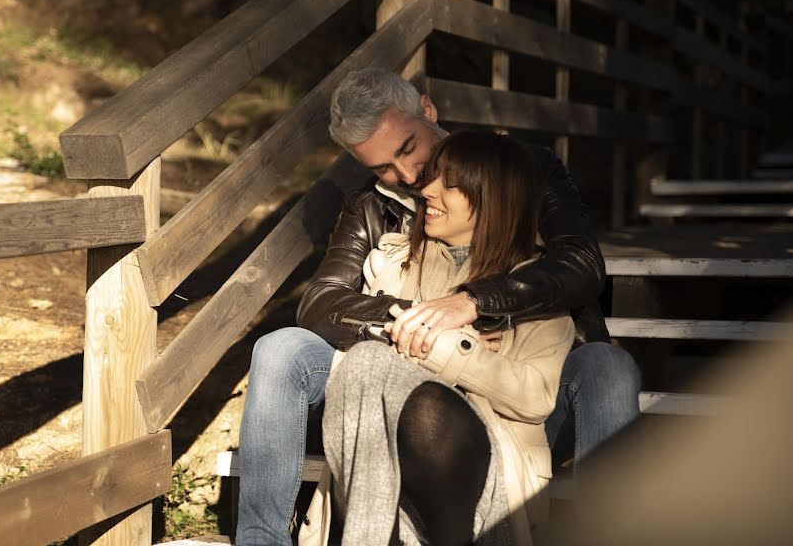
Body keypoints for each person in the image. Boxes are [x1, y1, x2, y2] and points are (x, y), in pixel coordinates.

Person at [235, 68, 640, 546]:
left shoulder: (524, 170)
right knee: (282, 348)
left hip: (518, 390)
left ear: (428, 111)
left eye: (407, 148)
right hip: (406, 377)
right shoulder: (369, 207)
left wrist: (475, 302)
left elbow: (580, 265)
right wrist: (422, 321)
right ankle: (260, 541)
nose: (408, 177)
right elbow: (321, 301)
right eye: (382, 167)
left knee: (608, 367)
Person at [312, 130, 574, 546]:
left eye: (448, 184)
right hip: (383, 476)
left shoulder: (533, 285)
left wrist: (444, 346)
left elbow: (536, 397)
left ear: (493, 199)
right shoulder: (395, 261)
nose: (426, 189)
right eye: (432, 177)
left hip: (486, 487)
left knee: (426, 402)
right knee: (362, 362)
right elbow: (351, 369)